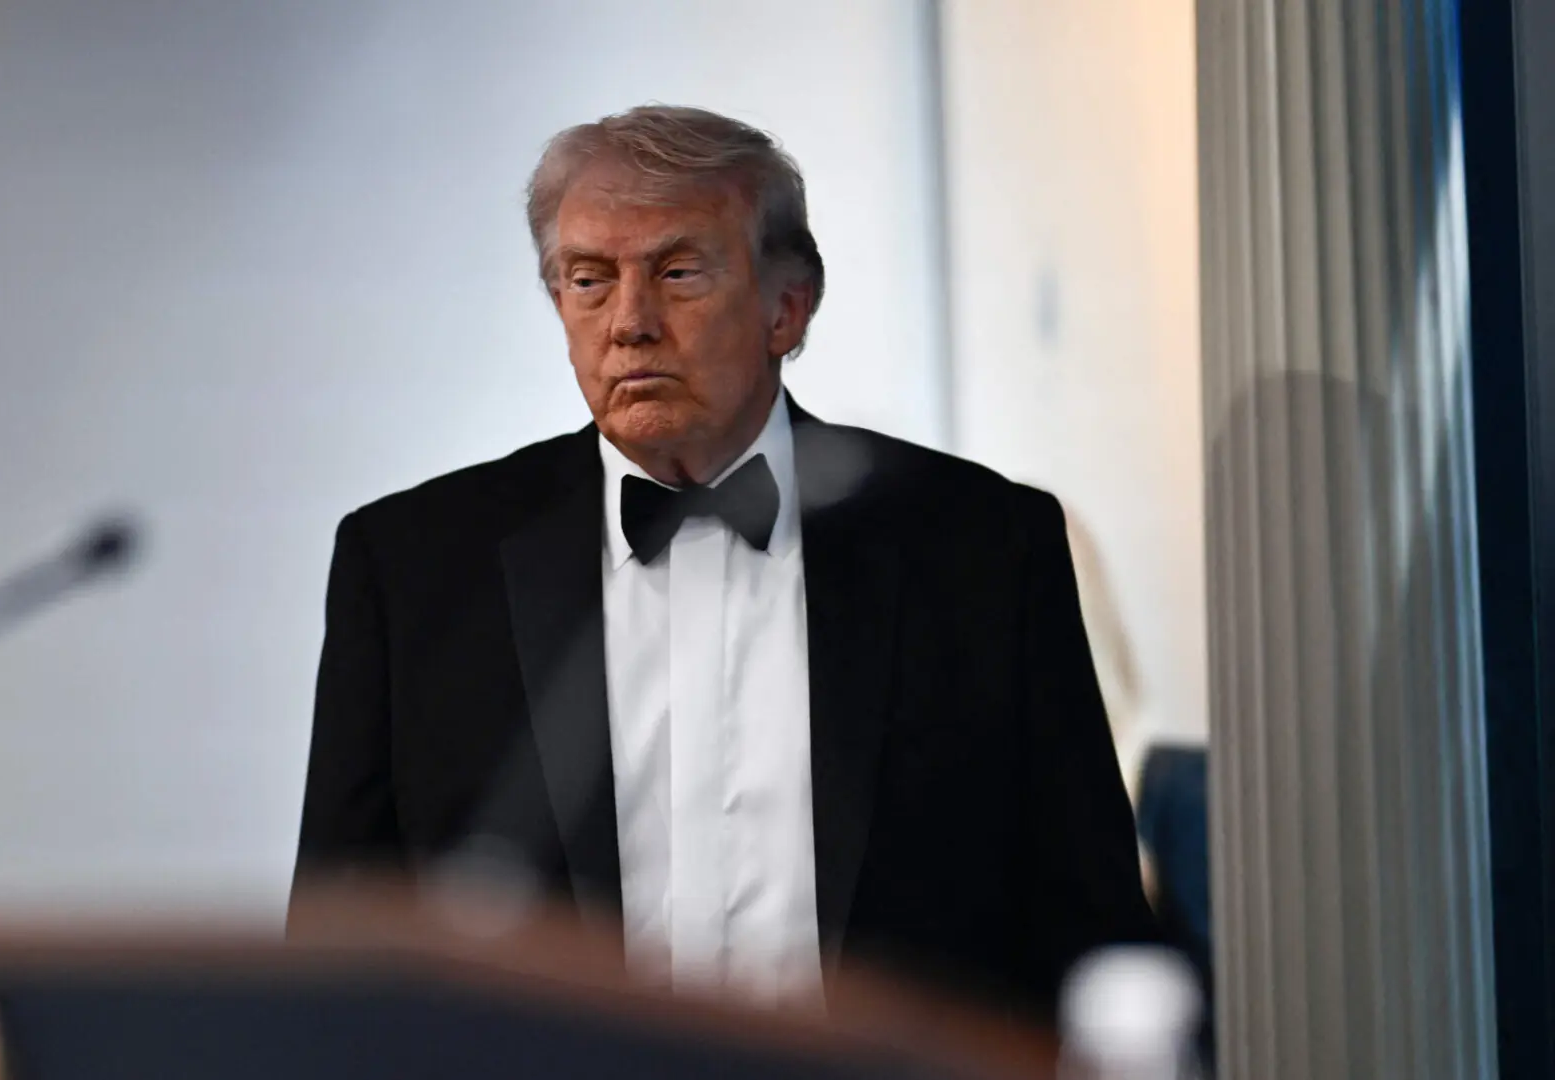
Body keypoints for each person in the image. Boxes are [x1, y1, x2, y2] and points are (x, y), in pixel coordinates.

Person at [294, 105, 1155, 1011]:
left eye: (677, 273)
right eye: (589, 281)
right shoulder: (412, 565)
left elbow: (1090, 934)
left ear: (787, 307)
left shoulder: (982, 544)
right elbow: (336, 949)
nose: (629, 323)